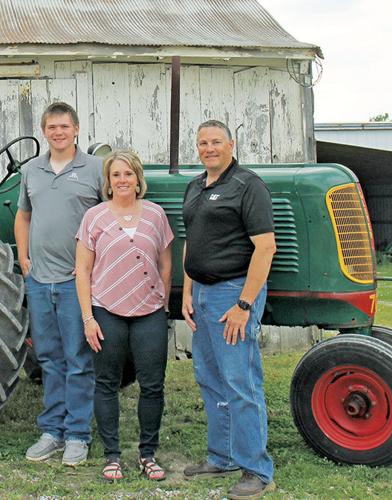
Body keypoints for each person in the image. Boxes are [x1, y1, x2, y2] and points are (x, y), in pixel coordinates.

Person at [180, 120, 277, 499]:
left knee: (241, 381)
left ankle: (255, 468)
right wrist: (188, 291)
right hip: (202, 294)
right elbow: (192, 241)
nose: (209, 148)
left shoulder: (248, 186)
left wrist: (243, 305)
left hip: (232, 294)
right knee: (209, 377)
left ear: (231, 144)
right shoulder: (196, 186)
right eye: (203, 142)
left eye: (216, 142)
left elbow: (265, 247)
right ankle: (221, 456)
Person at [75, 150, 173, 481]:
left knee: (152, 385)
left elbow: (165, 261)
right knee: (106, 383)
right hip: (106, 311)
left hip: (149, 312)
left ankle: (148, 454)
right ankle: (112, 455)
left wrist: (162, 299)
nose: (122, 180)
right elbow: (83, 270)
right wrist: (88, 317)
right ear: (108, 181)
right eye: (116, 175)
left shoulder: (156, 215)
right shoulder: (94, 217)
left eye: (128, 174)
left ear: (138, 178)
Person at [15, 102, 103, 466]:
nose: (58, 132)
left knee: (78, 359)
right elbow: (23, 216)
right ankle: (52, 430)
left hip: (75, 282)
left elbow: (108, 219)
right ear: (44, 131)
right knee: (49, 358)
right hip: (40, 281)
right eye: (51, 127)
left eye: (64, 126)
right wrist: (24, 259)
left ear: (77, 129)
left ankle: (78, 435)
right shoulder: (31, 170)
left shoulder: (95, 169)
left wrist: (93, 268)